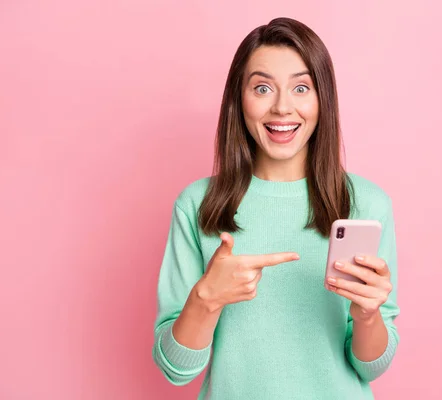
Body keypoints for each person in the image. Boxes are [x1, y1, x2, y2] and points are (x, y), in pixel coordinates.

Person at [152, 17, 400, 400]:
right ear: (239, 99)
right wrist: (208, 298)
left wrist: (367, 314)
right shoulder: (198, 205)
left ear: (323, 100)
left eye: (301, 88)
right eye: (263, 88)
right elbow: (176, 370)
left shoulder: (364, 204)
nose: (282, 107)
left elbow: (371, 365)